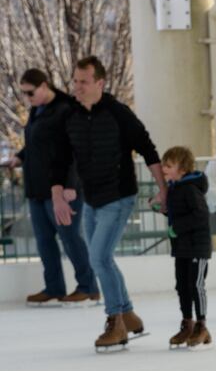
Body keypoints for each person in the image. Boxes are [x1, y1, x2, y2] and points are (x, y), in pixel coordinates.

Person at [51, 55, 165, 352]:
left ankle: (115, 322)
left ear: (99, 83)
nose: (77, 87)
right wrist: (57, 194)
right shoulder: (70, 116)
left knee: (99, 257)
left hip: (119, 196)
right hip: (92, 198)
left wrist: (163, 189)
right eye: (74, 81)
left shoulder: (118, 113)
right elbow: (59, 158)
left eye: (83, 82)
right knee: (101, 258)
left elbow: (148, 149)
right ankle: (127, 312)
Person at [11, 68, 96, 306]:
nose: (28, 98)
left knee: (70, 238)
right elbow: (35, 143)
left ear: (44, 85)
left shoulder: (67, 109)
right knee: (44, 240)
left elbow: (76, 151)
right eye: (25, 94)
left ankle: (88, 286)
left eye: (30, 93)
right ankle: (54, 287)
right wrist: (19, 157)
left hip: (62, 189)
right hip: (37, 187)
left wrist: (71, 185)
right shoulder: (37, 110)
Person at [160, 146, 213, 351]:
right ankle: (187, 322)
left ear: (182, 169)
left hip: (196, 247)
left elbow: (200, 215)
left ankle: (201, 325)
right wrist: (164, 212)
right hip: (182, 246)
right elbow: (180, 214)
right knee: (182, 286)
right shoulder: (175, 187)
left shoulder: (190, 189)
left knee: (195, 285)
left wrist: (177, 228)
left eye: (169, 165)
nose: (164, 168)